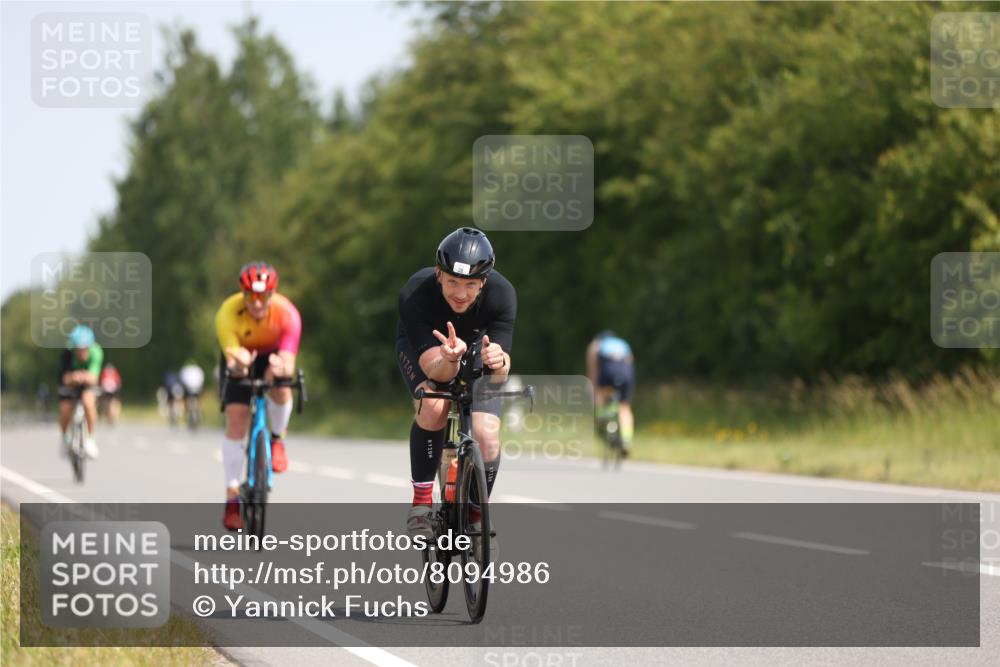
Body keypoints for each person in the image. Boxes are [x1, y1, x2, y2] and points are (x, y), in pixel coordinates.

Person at [396, 227, 516, 538]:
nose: (461, 294)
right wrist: (449, 359)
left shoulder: (502, 294)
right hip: (429, 351)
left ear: (484, 282)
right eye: (452, 282)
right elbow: (435, 372)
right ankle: (421, 503)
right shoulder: (416, 292)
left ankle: (476, 515)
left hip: (476, 348)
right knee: (434, 405)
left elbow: (500, 373)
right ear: (439, 274)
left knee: (486, 435)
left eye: (470, 285)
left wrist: (499, 362)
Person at [215, 262, 301, 530]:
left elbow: (288, 361)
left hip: (271, 356)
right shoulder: (228, 312)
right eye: (251, 296)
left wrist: (281, 367)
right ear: (243, 294)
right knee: (237, 419)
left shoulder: (287, 314)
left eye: (263, 296)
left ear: (272, 294)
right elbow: (233, 362)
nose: (257, 303)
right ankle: (232, 498)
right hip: (240, 356)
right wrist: (239, 363)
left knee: (281, 382)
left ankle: (276, 440)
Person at [586, 330, 635, 455]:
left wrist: (593, 387)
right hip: (626, 372)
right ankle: (626, 440)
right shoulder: (622, 343)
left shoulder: (596, 345)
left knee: (600, 392)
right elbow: (630, 361)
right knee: (624, 406)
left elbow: (593, 371)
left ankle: (602, 418)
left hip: (608, 370)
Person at [57, 325, 102, 458]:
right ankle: (65, 438)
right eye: (78, 349)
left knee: (89, 402)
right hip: (70, 383)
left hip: (88, 384)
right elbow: (64, 378)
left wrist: (84, 377)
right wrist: (73, 378)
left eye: (84, 349)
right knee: (65, 408)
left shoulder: (96, 352)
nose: (81, 352)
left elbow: (94, 377)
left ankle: (91, 439)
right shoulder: (67, 352)